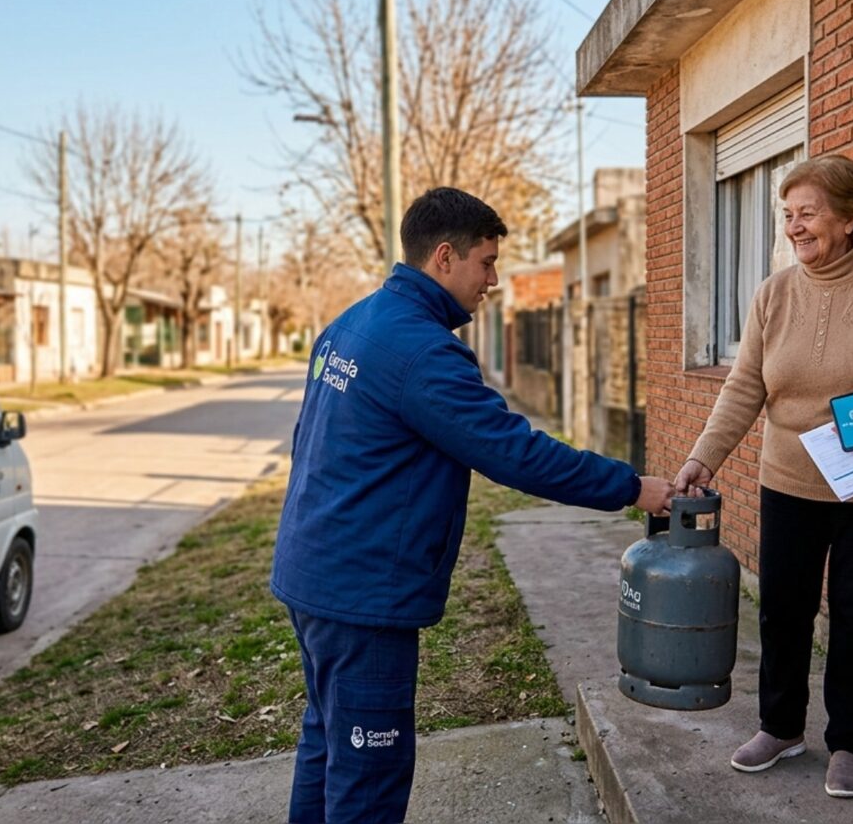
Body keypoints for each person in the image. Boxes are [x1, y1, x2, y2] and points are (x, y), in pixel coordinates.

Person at [271, 186, 673, 824]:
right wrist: (632, 487)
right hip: (362, 593)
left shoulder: (351, 323)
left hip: (313, 571)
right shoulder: (425, 353)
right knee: (368, 771)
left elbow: (306, 442)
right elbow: (514, 453)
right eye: (486, 263)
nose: (493, 279)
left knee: (327, 740)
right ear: (444, 257)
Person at [673, 154, 853, 800]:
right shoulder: (773, 293)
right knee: (783, 610)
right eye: (788, 215)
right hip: (790, 480)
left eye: (808, 213)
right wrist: (703, 456)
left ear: (850, 218)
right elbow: (745, 386)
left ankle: (850, 741)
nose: (795, 227)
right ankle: (780, 726)